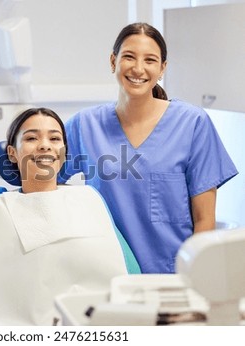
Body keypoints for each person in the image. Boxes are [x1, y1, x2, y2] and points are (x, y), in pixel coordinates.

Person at [60, 23, 238, 274]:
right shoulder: (85, 125)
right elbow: (45, 184)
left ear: (162, 68)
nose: (138, 68)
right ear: (113, 61)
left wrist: (196, 281)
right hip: (106, 274)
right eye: (129, 57)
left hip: (173, 276)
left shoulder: (192, 124)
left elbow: (204, 219)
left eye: (150, 60)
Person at [0, 107, 141, 326]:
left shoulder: (89, 201)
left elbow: (128, 274)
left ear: (63, 151)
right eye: (31, 137)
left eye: (55, 138)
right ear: (12, 153)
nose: (45, 145)